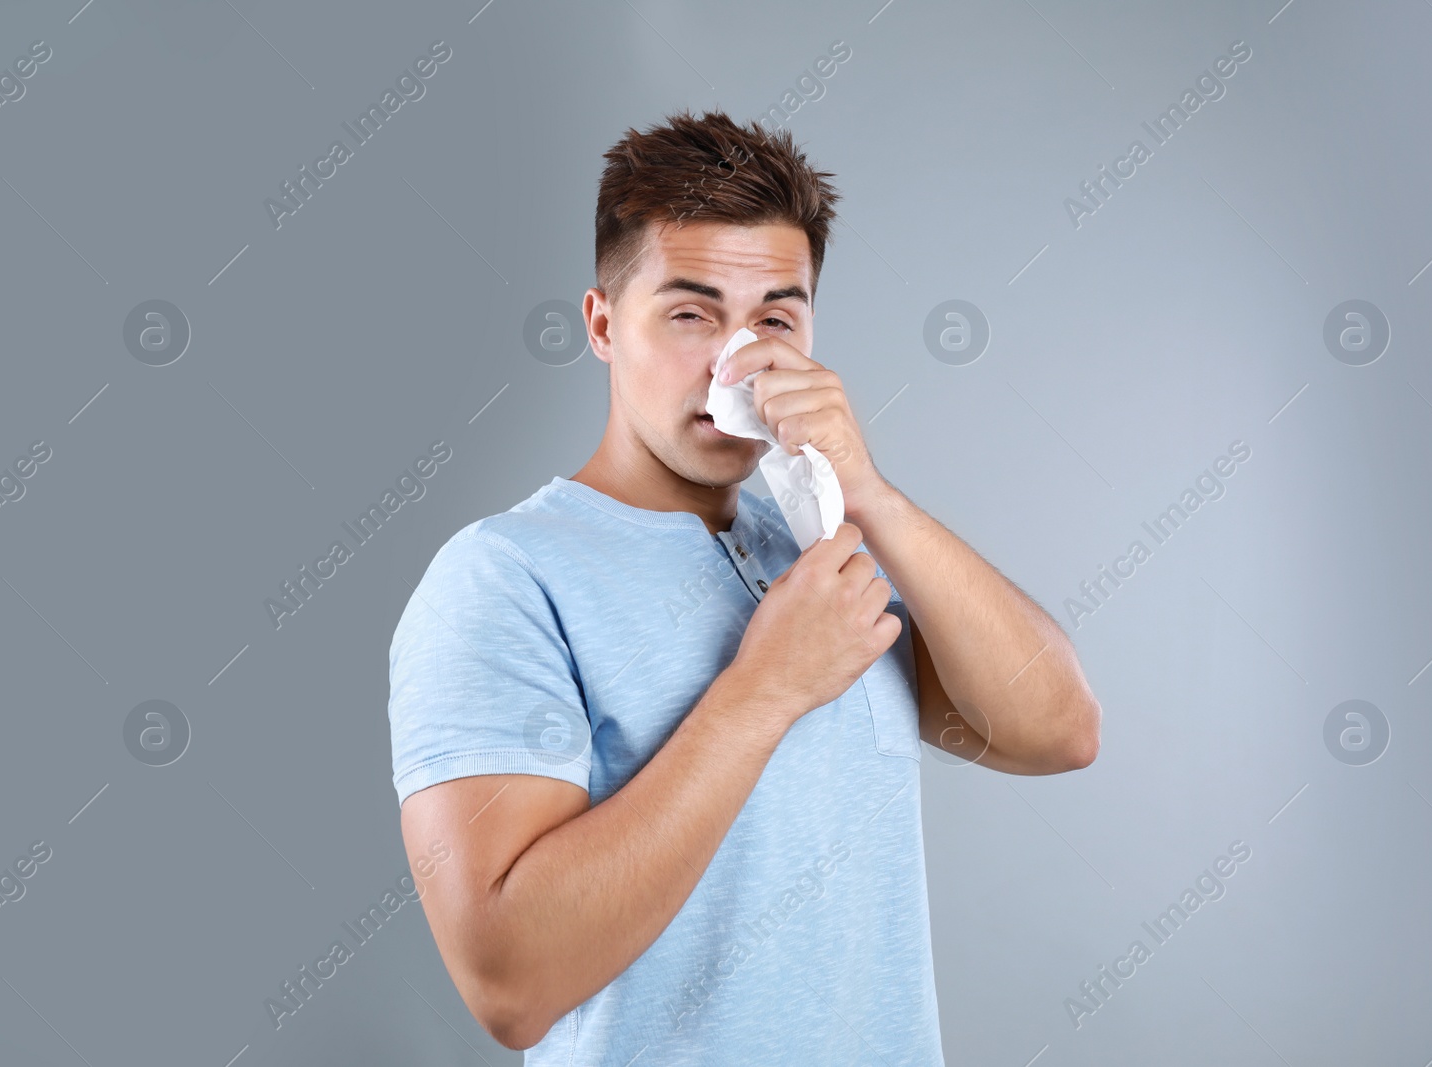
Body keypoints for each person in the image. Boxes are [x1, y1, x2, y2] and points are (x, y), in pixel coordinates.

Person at [387, 108, 1101, 1064]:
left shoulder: (826, 547)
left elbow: (1060, 730)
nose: (738, 360)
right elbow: (510, 982)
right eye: (691, 314)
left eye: (775, 316)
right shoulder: (502, 579)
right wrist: (763, 690)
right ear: (602, 324)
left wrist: (871, 494)